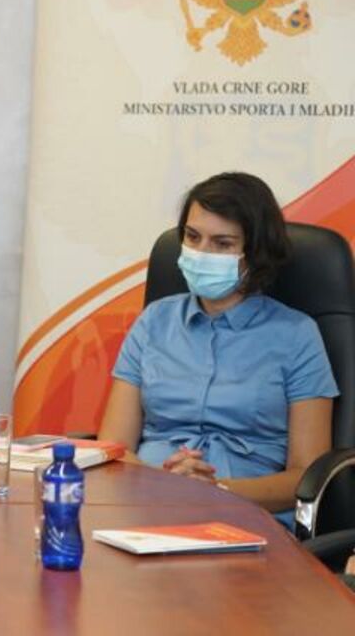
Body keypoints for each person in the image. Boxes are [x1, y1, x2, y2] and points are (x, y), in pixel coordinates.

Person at [99, 172, 338, 522]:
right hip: (147, 508)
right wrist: (166, 485)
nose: (201, 253)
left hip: (248, 518)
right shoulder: (154, 322)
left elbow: (307, 475)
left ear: (256, 253)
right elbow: (114, 448)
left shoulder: (298, 335)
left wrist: (216, 490)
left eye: (222, 244)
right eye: (193, 237)